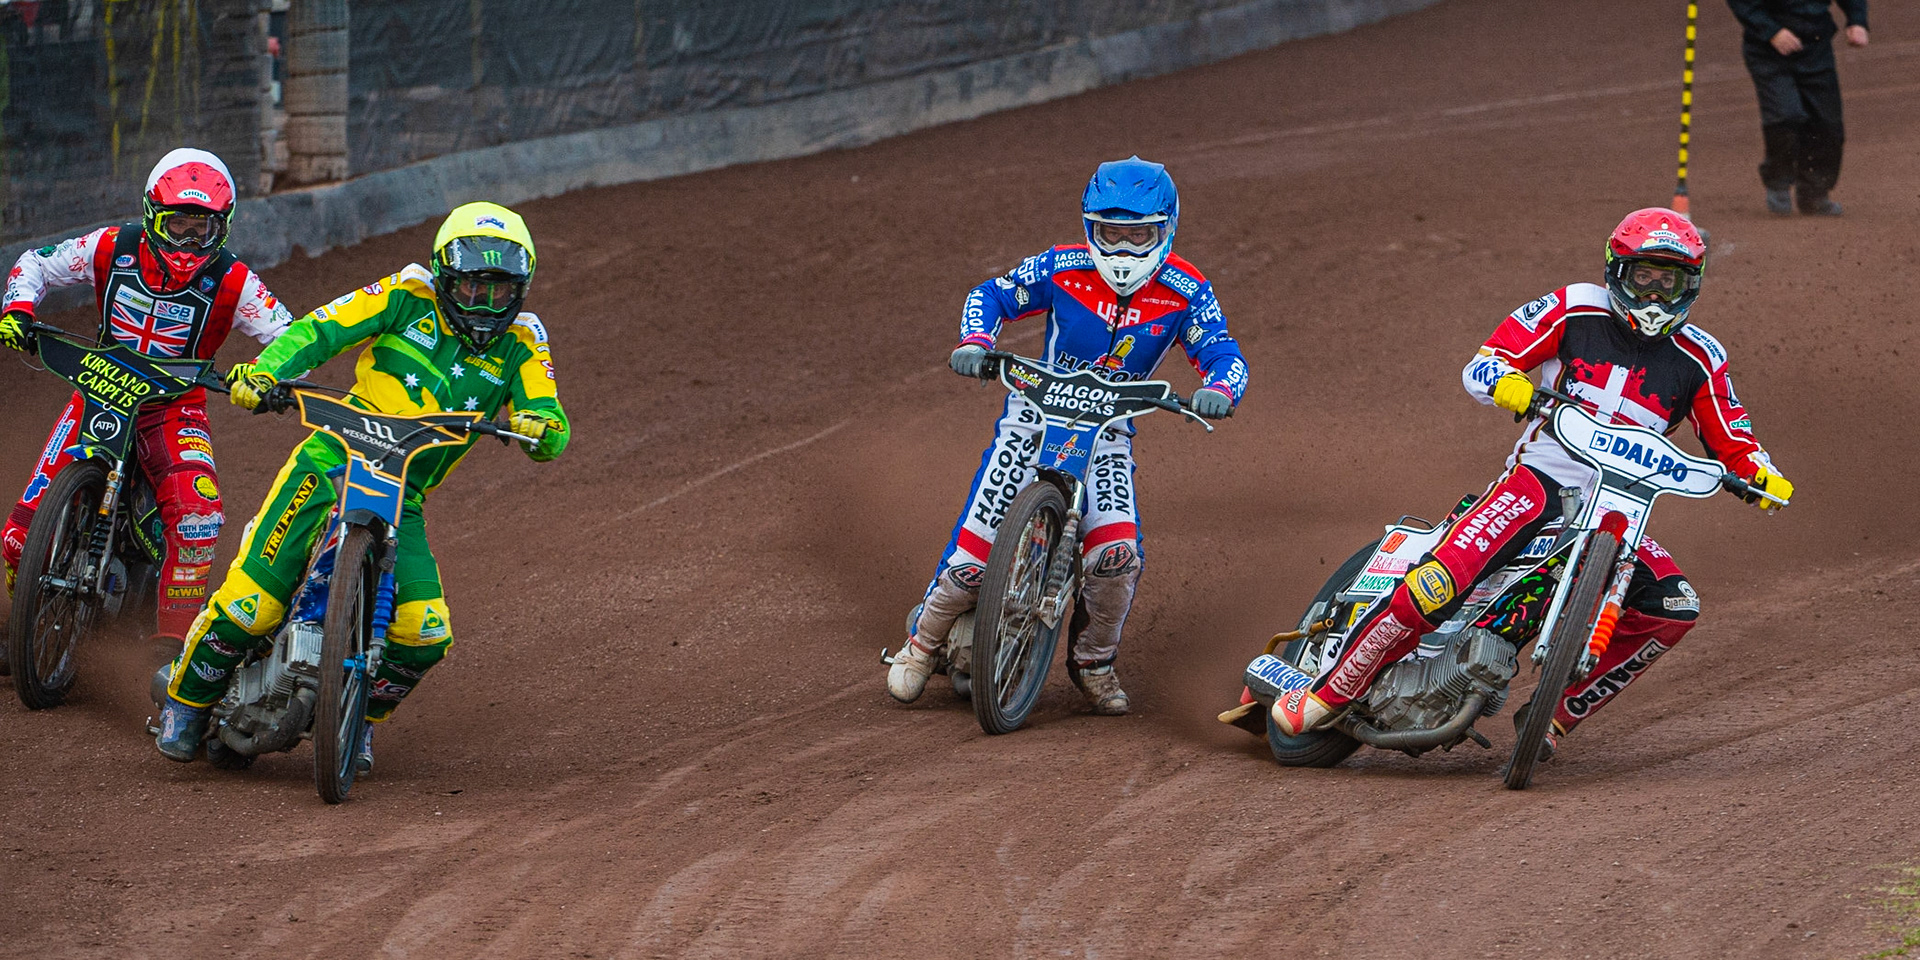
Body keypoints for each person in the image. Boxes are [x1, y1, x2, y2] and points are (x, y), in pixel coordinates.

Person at [1272, 208, 1794, 758]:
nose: (1657, 295)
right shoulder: (1573, 307)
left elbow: (1734, 437)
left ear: (1693, 284)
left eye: (1672, 281)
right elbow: (1485, 363)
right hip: (1540, 480)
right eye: (1645, 276)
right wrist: (1509, 386)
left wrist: (1762, 476)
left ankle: (1553, 716)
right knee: (1443, 580)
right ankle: (1335, 690)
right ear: (1619, 270)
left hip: (1621, 510)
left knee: (1675, 606)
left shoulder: (1702, 357)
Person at [153, 201, 570, 768]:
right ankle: (186, 700)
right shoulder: (406, 292)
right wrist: (266, 371)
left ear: (521, 288)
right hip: (330, 461)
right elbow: (322, 329)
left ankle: (358, 715)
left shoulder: (524, 337)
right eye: (471, 287)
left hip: (406, 496)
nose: (484, 303)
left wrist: (541, 428)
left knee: (426, 634)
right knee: (252, 605)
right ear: (446, 277)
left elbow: (549, 419)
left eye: (499, 290)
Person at [886, 157, 1248, 715]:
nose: (1124, 249)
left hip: (1106, 432)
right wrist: (976, 341)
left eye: (1140, 235)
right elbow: (993, 293)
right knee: (974, 560)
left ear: (1165, 230)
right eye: (1111, 233)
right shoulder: (1061, 267)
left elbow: (1222, 351)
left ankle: (1094, 661)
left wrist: (1220, 388)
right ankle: (920, 647)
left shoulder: (1187, 289)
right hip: (1033, 418)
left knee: (1116, 557)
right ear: (1090, 227)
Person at [0, 148, 292, 663]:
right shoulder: (113, 246)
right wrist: (19, 309)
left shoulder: (233, 278)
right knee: (18, 542)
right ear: (151, 215)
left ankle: (171, 651)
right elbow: (36, 264)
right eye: (178, 225)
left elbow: (292, 336)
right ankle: (33, 617)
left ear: (222, 228)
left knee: (199, 515)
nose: (188, 241)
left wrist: (267, 375)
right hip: (100, 386)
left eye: (202, 230)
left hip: (174, 407)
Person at [1727, 0, 1869, 215]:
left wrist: (1857, 20)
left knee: (1827, 123)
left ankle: (1814, 192)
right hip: (1768, 51)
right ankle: (1778, 179)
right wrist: (1772, 31)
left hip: (1816, 46)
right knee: (1786, 116)